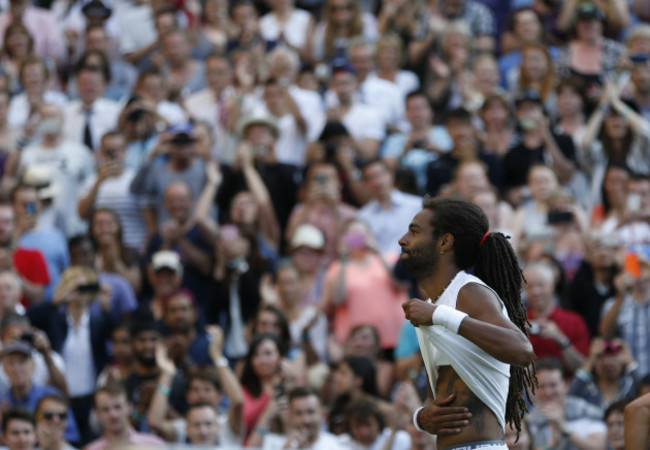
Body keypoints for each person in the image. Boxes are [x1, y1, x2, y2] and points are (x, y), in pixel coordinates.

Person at [399, 197, 535, 448]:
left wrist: (439, 315)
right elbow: (434, 400)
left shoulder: (468, 292)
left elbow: (522, 350)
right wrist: (421, 418)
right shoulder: (432, 305)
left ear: (444, 242)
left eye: (414, 232)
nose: (403, 239)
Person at [0, 341, 80, 445]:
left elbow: (72, 435)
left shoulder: (51, 396)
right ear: (4, 369)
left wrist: (50, 434)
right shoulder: (2, 402)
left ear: (33, 366)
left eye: (22, 361)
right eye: (11, 363)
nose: (16, 368)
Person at [524, 262, 589, 375]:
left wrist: (560, 339)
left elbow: (583, 368)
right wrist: (521, 337)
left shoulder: (574, 321)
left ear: (552, 286)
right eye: (530, 286)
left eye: (541, 285)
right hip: (528, 388)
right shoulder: (517, 323)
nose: (535, 292)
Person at [526, 358, 607, 450]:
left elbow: (599, 448)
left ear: (565, 384)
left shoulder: (586, 412)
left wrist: (564, 427)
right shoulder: (529, 421)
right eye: (541, 386)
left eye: (553, 385)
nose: (548, 392)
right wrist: (551, 445)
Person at [357, 159, 422, 254]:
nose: (377, 182)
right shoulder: (362, 217)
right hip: (382, 265)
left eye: (380, 175)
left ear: (391, 175)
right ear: (365, 184)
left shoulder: (417, 205)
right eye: (371, 178)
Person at [85, 382, 165, 449]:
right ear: (97, 413)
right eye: (105, 409)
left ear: (129, 407)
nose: (113, 415)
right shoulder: (91, 448)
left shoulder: (154, 445)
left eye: (118, 407)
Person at [260, 386, 340, 449]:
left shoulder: (336, 445)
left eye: (310, 412)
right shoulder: (272, 443)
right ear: (289, 415)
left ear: (323, 414)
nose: (305, 420)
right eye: (298, 413)